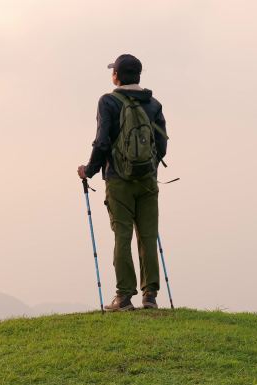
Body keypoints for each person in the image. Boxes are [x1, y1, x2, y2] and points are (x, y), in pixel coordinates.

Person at [77, 54, 168, 311]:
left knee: (123, 235)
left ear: (116, 75)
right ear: (138, 75)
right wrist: (149, 165)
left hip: (119, 179)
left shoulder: (108, 101)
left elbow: (102, 141)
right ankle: (150, 295)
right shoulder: (154, 104)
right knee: (148, 236)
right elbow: (162, 143)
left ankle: (124, 297)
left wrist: (90, 170)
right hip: (148, 180)